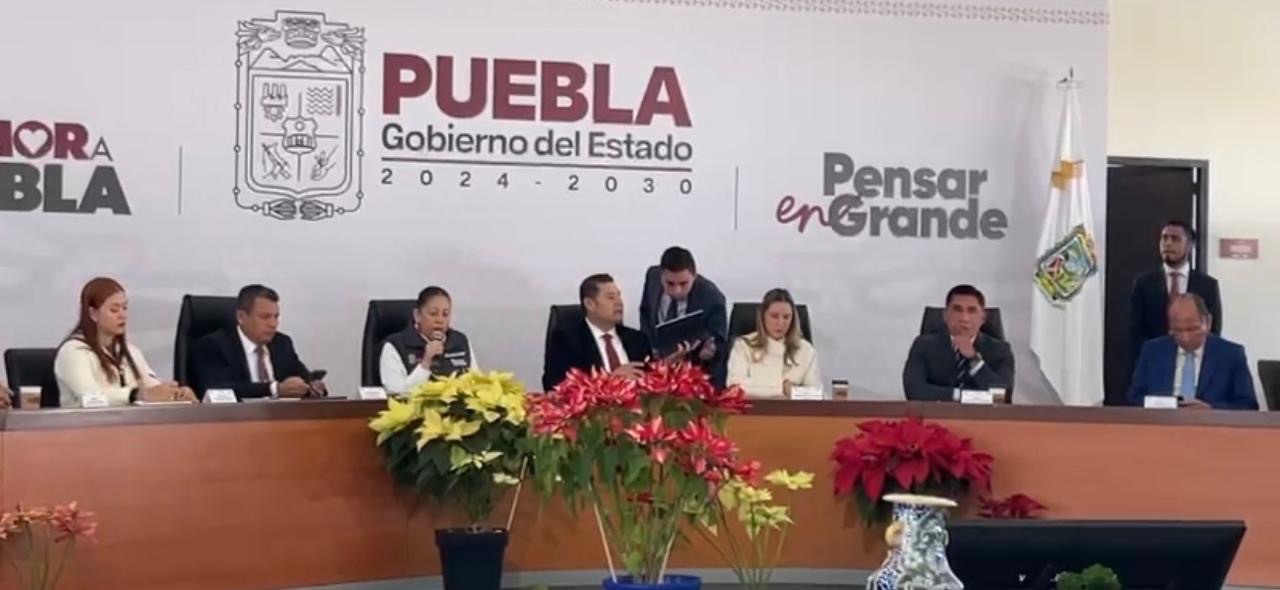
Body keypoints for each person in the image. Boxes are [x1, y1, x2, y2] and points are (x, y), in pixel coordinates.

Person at [53, 277, 196, 407]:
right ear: (93, 314)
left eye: (125, 308)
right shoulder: (73, 351)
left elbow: (151, 388)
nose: (123, 315)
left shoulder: (130, 351)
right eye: (114, 310)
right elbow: (91, 397)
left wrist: (175, 393)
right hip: (86, 425)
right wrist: (135, 395)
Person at [190, 284, 325, 400]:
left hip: (281, 418)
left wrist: (313, 387)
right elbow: (218, 390)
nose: (273, 324)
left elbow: (304, 377)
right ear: (241, 317)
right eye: (265, 317)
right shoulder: (214, 345)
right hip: (235, 419)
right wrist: (274, 389)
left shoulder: (282, 343)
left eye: (276, 317)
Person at [1127, 294, 1257, 410]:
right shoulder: (1153, 351)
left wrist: (1211, 410)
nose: (1185, 337)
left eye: (1192, 329)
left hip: (1211, 426)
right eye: (1178, 330)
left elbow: (1248, 405)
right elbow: (1134, 399)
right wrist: (1163, 405)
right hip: (1162, 424)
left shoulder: (1231, 355)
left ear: (1207, 322)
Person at [1129, 221, 1222, 376]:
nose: (1168, 243)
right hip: (1154, 364)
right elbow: (1135, 331)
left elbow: (1213, 329)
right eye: (1164, 238)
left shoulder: (1207, 285)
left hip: (1194, 364)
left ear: (1189, 245)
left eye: (1175, 239)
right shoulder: (1144, 284)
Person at [903, 284, 1015, 402]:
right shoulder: (923, 346)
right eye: (957, 310)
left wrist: (974, 360)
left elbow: (1002, 397)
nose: (964, 318)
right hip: (936, 412)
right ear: (945, 315)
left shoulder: (1000, 350)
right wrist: (961, 396)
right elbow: (914, 391)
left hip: (983, 414)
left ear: (983, 318)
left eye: (972, 311)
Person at [542, 273, 653, 391]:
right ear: (589, 304)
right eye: (611, 297)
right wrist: (611, 380)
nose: (619, 302)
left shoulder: (637, 339)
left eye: (619, 296)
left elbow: (652, 379)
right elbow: (555, 386)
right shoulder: (566, 341)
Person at [638, 246, 729, 387]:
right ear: (661, 276)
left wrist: (710, 352)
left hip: (693, 373)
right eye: (670, 284)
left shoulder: (713, 298)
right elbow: (645, 312)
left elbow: (720, 345)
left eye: (683, 284)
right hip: (657, 367)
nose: (677, 290)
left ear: (694, 276)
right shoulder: (652, 277)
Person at [379, 286, 479, 393]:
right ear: (417, 315)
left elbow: (476, 384)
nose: (440, 320)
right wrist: (425, 363)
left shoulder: (460, 342)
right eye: (433, 313)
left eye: (445, 314)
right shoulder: (395, 345)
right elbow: (397, 393)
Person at [727, 288, 821, 398]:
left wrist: (793, 392)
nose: (781, 323)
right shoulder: (743, 346)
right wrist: (783, 388)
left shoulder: (806, 350)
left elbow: (815, 395)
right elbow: (735, 386)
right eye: (774, 316)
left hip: (792, 409)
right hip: (754, 408)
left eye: (786, 317)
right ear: (763, 316)